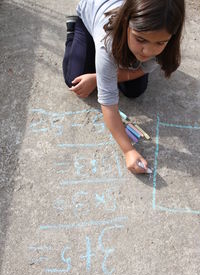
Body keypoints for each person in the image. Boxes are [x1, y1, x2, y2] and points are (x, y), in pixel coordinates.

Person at [62, 0, 185, 174]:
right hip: (92, 15)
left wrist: (98, 78)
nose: (148, 52)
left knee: (135, 90)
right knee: (74, 80)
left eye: (159, 43)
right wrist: (128, 150)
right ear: (126, 25)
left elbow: (142, 68)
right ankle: (73, 30)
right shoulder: (108, 42)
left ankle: (108, 64)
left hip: (122, 33)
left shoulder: (166, 35)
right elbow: (108, 104)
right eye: (141, 39)